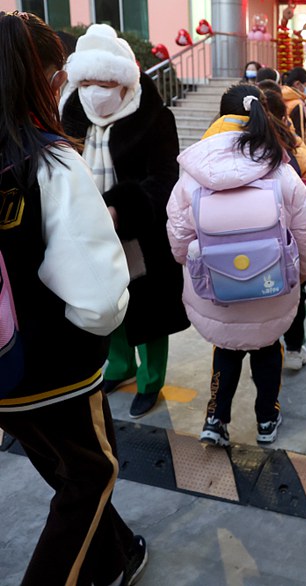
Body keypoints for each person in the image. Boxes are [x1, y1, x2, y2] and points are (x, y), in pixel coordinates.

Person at [0, 11, 147, 585]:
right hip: (50, 366)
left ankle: (116, 555)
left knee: (62, 469)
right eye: (61, 76)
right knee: (91, 475)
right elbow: (96, 297)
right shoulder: (51, 160)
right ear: (38, 76)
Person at [166, 84, 306, 446]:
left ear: (220, 117)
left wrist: (190, 267)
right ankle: (267, 419)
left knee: (227, 349)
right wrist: (303, 269)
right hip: (273, 287)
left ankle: (216, 419)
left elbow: (178, 235)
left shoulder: (193, 173)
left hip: (216, 289)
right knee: (267, 349)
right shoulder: (279, 170)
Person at [61, 23, 189, 419]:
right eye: (86, 84)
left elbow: (165, 179)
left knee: (150, 313)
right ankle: (119, 367)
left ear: (123, 82)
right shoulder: (71, 117)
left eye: (104, 83)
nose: (94, 93)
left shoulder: (154, 118)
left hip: (142, 236)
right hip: (89, 233)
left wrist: (121, 209)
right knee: (106, 304)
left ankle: (151, 381)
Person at [260, 86, 306, 372]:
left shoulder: (235, 146)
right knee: (296, 296)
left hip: (252, 247)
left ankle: (266, 345)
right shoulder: (293, 147)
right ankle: (294, 348)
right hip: (289, 246)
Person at [281, 66, 306, 141]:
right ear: (297, 84)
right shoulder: (297, 104)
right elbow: (300, 133)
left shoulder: (280, 96)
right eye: (305, 85)